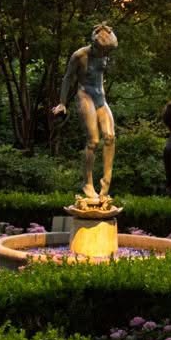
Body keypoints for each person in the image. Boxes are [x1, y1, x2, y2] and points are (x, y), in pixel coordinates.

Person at [51, 23, 118, 205]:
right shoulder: (80, 56)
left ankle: (106, 183)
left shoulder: (106, 53)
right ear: (95, 44)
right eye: (103, 51)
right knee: (94, 141)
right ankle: (87, 182)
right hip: (85, 95)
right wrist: (62, 103)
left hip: (100, 98)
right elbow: (67, 78)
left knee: (110, 137)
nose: (105, 55)